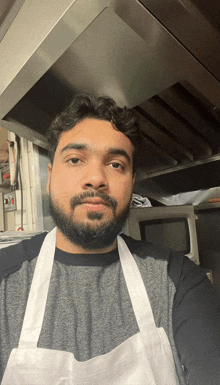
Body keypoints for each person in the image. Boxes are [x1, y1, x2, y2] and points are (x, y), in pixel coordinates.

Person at [0, 94, 220, 385]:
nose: (95, 178)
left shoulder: (177, 281)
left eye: (116, 164)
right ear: (50, 176)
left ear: (131, 182)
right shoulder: (5, 280)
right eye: (75, 159)